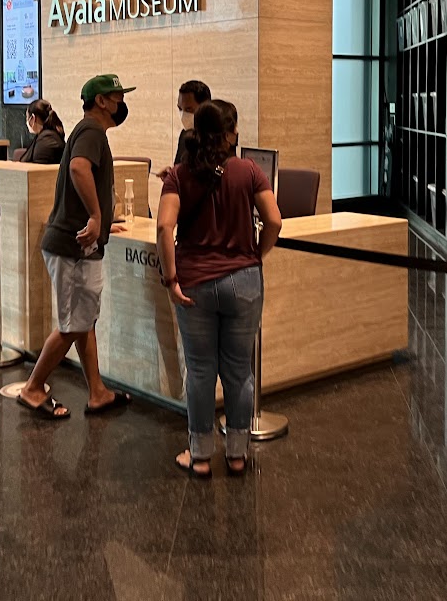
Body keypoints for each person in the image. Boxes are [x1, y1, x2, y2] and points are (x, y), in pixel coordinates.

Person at [157, 99, 282, 477]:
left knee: (199, 370)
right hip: (243, 280)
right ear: (229, 134)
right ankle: (237, 454)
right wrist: (256, 255)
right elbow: (274, 220)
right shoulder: (249, 170)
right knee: (239, 371)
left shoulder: (179, 175)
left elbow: (164, 227)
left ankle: (199, 456)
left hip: (194, 282)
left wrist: (171, 278)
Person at [17, 74, 136, 419]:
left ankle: (97, 392)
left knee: (84, 320)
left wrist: (103, 219)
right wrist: (97, 216)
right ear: (101, 101)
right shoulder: (92, 131)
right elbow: (79, 168)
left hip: (79, 244)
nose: (121, 103)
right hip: (73, 246)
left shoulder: (89, 131)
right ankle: (33, 388)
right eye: (117, 97)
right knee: (72, 325)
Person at [20, 98, 65, 163]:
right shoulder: (46, 136)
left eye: (27, 117)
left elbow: (39, 166)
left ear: (33, 118)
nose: (27, 121)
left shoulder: (47, 139)